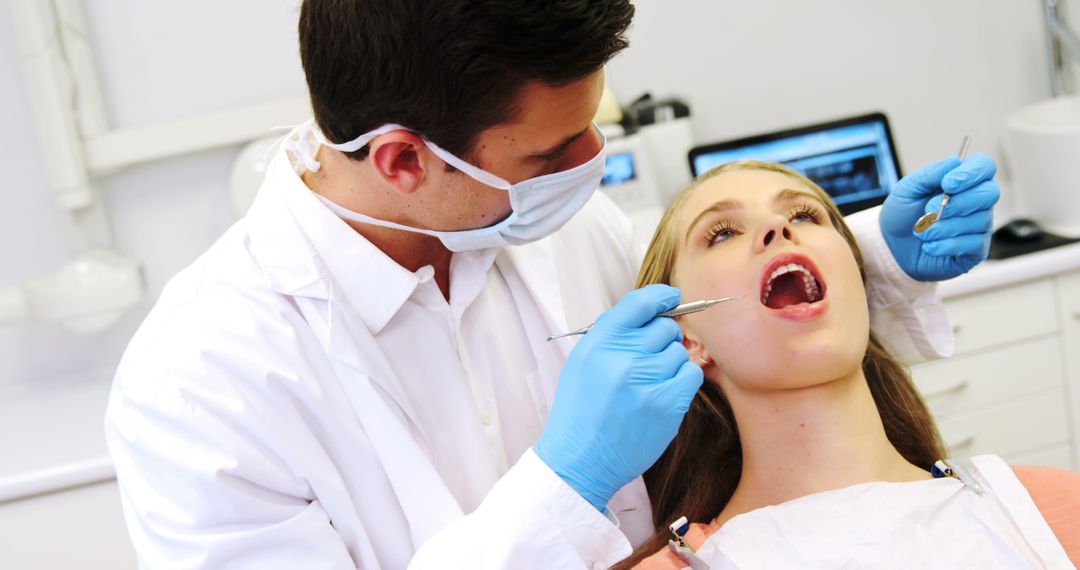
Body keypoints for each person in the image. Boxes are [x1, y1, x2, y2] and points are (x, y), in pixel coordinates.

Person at [104, 1, 1001, 568]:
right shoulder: (200, 385)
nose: (593, 164)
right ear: (403, 159)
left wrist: (872, 252)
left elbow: (726, 317)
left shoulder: (549, 216)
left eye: (592, 125)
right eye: (552, 153)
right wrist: (566, 484)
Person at [617, 161, 1080, 569]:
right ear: (686, 339)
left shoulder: (1055, 509)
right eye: (722, 233)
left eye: (804, 215)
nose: (778, 227)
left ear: (862, 282)